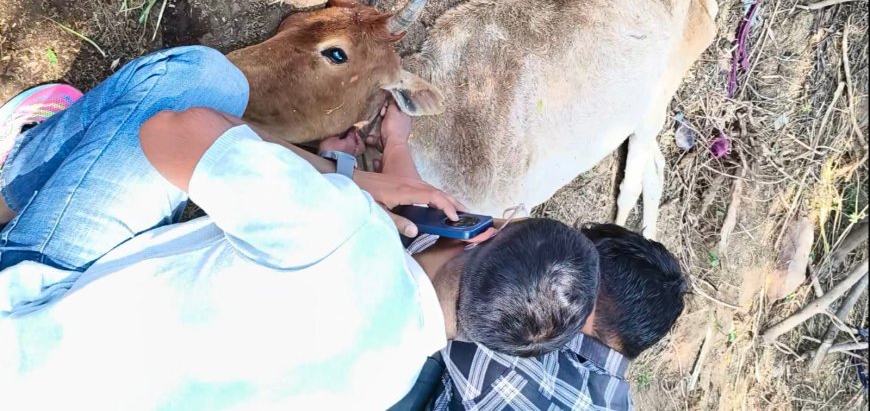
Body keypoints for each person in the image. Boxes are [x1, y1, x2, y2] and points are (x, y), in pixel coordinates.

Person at [0, 46, 600, 410]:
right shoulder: (386, 386)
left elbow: (171, 130)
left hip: (26, 326)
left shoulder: (343, 230)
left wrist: (356, 183)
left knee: (202, 79)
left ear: (484, 232)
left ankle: (16, 177)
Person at [361, 105, 688, 411]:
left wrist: (395, 145)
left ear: (586, 299)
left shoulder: (517, 358)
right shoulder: (616, 401)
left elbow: (430, 254)